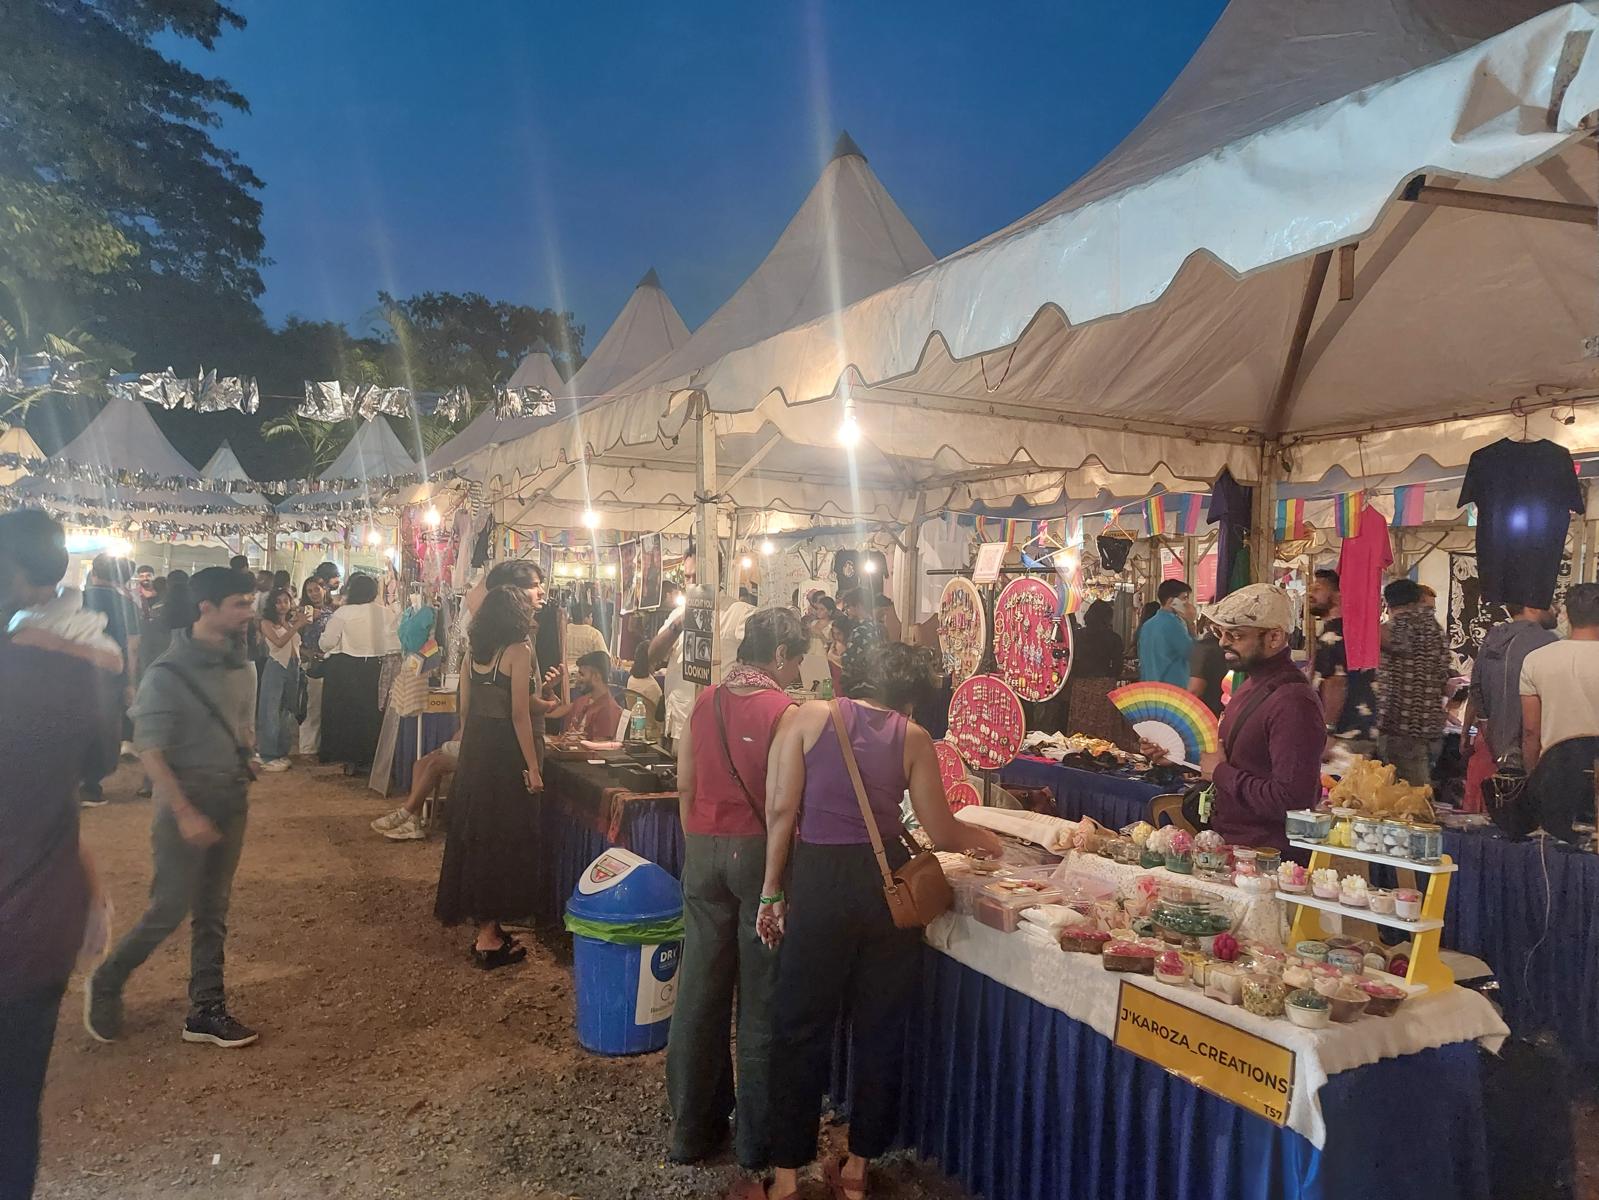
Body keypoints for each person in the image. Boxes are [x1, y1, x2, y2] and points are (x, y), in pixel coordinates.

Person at [752, 642, 1002, 1200]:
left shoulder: (808, 717)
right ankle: (859, 1168)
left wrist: (771, 891)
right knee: (880, 1028)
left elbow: (780, 810)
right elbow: (942, 831)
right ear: (910, 694)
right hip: (887, 891)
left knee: (798, 1027)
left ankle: (787, 1177)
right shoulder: (914, 738)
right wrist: (989, 841)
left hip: (819, 882)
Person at [86, 566, 261, 1049]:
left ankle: (206, 1009)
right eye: (240, 604)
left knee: (213, 909)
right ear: (206, 607)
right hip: (186, 803)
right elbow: (151, 749)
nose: (249, 613)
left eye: (250, 603)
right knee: (169, 908)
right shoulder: (167, 674)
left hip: (231, 798)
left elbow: (243, 725)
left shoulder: (242, 666)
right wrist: (184, 811)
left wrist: (244, 750)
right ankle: (108, 978)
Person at [666, 609, 808, 1172]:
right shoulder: (784, 712)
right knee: (761, 1001)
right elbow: (782, 805)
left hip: (702, 848)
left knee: (697, 995)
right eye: (796, 660)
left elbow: (684, 783)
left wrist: (697, 843)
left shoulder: (705, 701)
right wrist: (773, 885)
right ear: (779, 654)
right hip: (757, 856)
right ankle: (756, 1141)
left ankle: (691, 1130)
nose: (797, 672)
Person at [0, 511, 112, 1200]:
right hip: (38, 922)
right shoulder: (72, 673)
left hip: (33, 917)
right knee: (14, 1111)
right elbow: (86, 771)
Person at [433, 586, 546, 969]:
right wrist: (532, 766)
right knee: (502, 840)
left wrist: (468, 752)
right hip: (503, 753)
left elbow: (464, 709)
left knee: (475, 838)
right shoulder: (519, 651)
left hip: (476, 751)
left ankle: (486, 927)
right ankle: (489, 938)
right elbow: (519, 715)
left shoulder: (474, 653)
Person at [1189, 585, 1323, 853]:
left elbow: (1293, 801)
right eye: (1220, 632)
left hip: (1267, 858)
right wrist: (1175, 757)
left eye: (1236, 635)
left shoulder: (1293, 701)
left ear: (1274, 637)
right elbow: (1239, 759)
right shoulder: (1252, 684)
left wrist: (1221, 773)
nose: (1223, 642)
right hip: (1233, 848)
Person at [1520, 584, 1599, 839]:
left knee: (1556, 850)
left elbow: (1531, 731)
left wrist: (1533, 777)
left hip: (1557, 772)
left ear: (1567, 614)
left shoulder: (1536, 659)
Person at [317, 573, 400, 773]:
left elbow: (327, 642)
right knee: (372, 712)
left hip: (346, 668)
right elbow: (395, 643)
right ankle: (371, 757)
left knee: (347, 714)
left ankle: (350, 759)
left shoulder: (343, 613)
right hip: (377, 668)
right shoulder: (386, 613)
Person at [1467, 602, 1557, 774]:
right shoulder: (1547, 641)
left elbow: (1476, 687)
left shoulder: (1493, 638)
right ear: (1532, 607)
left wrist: (1487, 727)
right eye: (1550, 604)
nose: (1557, 609)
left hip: (1498, 749)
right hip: (1537, 753)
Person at [81, 552, 141, 806]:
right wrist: (130, 682)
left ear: (93, 573)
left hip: (75, 672)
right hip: (111, 675)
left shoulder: (78, 600)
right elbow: (133, 647)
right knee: (104, 729)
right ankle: (90, 786)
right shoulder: (128, 605)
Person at [1378, 578, 1450, 787]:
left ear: (1389, 604)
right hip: (1431, 728)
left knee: (1409, 796)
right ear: (1418, 599)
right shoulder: (1435, 628)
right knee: (1419, 788)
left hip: (1402, 728)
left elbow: (1388, 640)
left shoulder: (1400, 625)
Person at [1308, 567, 1379, 759]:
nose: (1311, 594)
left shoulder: (1333, 636)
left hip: (1343, 737)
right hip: (1361, 731)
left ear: (1339, 597)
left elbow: (1335, 684)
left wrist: (1328, 730)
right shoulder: (1354, 632)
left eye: (1318, 589)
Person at [256, 586, 308, 772]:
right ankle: (268, 754)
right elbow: (278, 643)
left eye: (286, 601)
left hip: (293, 667)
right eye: (278, 602)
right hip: (276, 666)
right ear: (272, 604)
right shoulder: (266, 623)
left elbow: (295, 645)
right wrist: (297, 626)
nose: (283, 605)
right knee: (271, 710)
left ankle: (281, 751)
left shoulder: (288, 623)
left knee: (287, 711)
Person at [1066, 600, 1129, 743]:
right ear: (1108, 618)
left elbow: (1070, 661)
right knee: (1103, 727)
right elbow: (1118, 667)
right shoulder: (1114, 638)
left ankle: (1078, 750)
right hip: (1103, 686)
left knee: (1080, 725)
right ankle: (1103, 751)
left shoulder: (1077, 636)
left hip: (1081, 685)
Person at [545, 650, 624, 741]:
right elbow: (551, 713)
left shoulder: (609, 710)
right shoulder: (583, 700)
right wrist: (547, 688)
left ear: (596, 676)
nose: (577, 678)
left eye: (582, 674)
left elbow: (599, 748)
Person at [297, 575, 336, 756]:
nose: (313, 594)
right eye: (309, 591)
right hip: (312, 665)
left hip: (332, 663)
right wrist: (309, 653)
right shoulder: (301, 613)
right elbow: (295, 640)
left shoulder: (335, 610)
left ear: (324, 589)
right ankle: (308, 748)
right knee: (312, 707)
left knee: (328, 707)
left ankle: (324, 747)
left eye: (316, 589)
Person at [1137, 580, 1194, 687]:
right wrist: (1190, 622)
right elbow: (1193, 654)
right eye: (1184, 598)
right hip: (1173, 688)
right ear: (1171, 601)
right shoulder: (1173, 624)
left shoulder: (1147, 625)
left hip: (1151, 686)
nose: (1187, 603)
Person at [1187, 615, 1228, 716]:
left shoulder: (1204, 648)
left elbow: (1195, 690)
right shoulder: (1235, 647)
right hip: (1227, 710)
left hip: (1206, 714)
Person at [624, 650, 664, 740]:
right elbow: (659, 717)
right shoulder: (652, 686)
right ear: (650, 662)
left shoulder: (631, 679)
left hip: (634, 728)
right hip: (652, 731)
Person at [562, 601, 608, 673]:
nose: (592, 619)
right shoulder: (594, 634)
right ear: (586, 618)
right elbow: (604, 658)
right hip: (584, 674)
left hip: (563, 672)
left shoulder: (563, 630)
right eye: (591, 616)